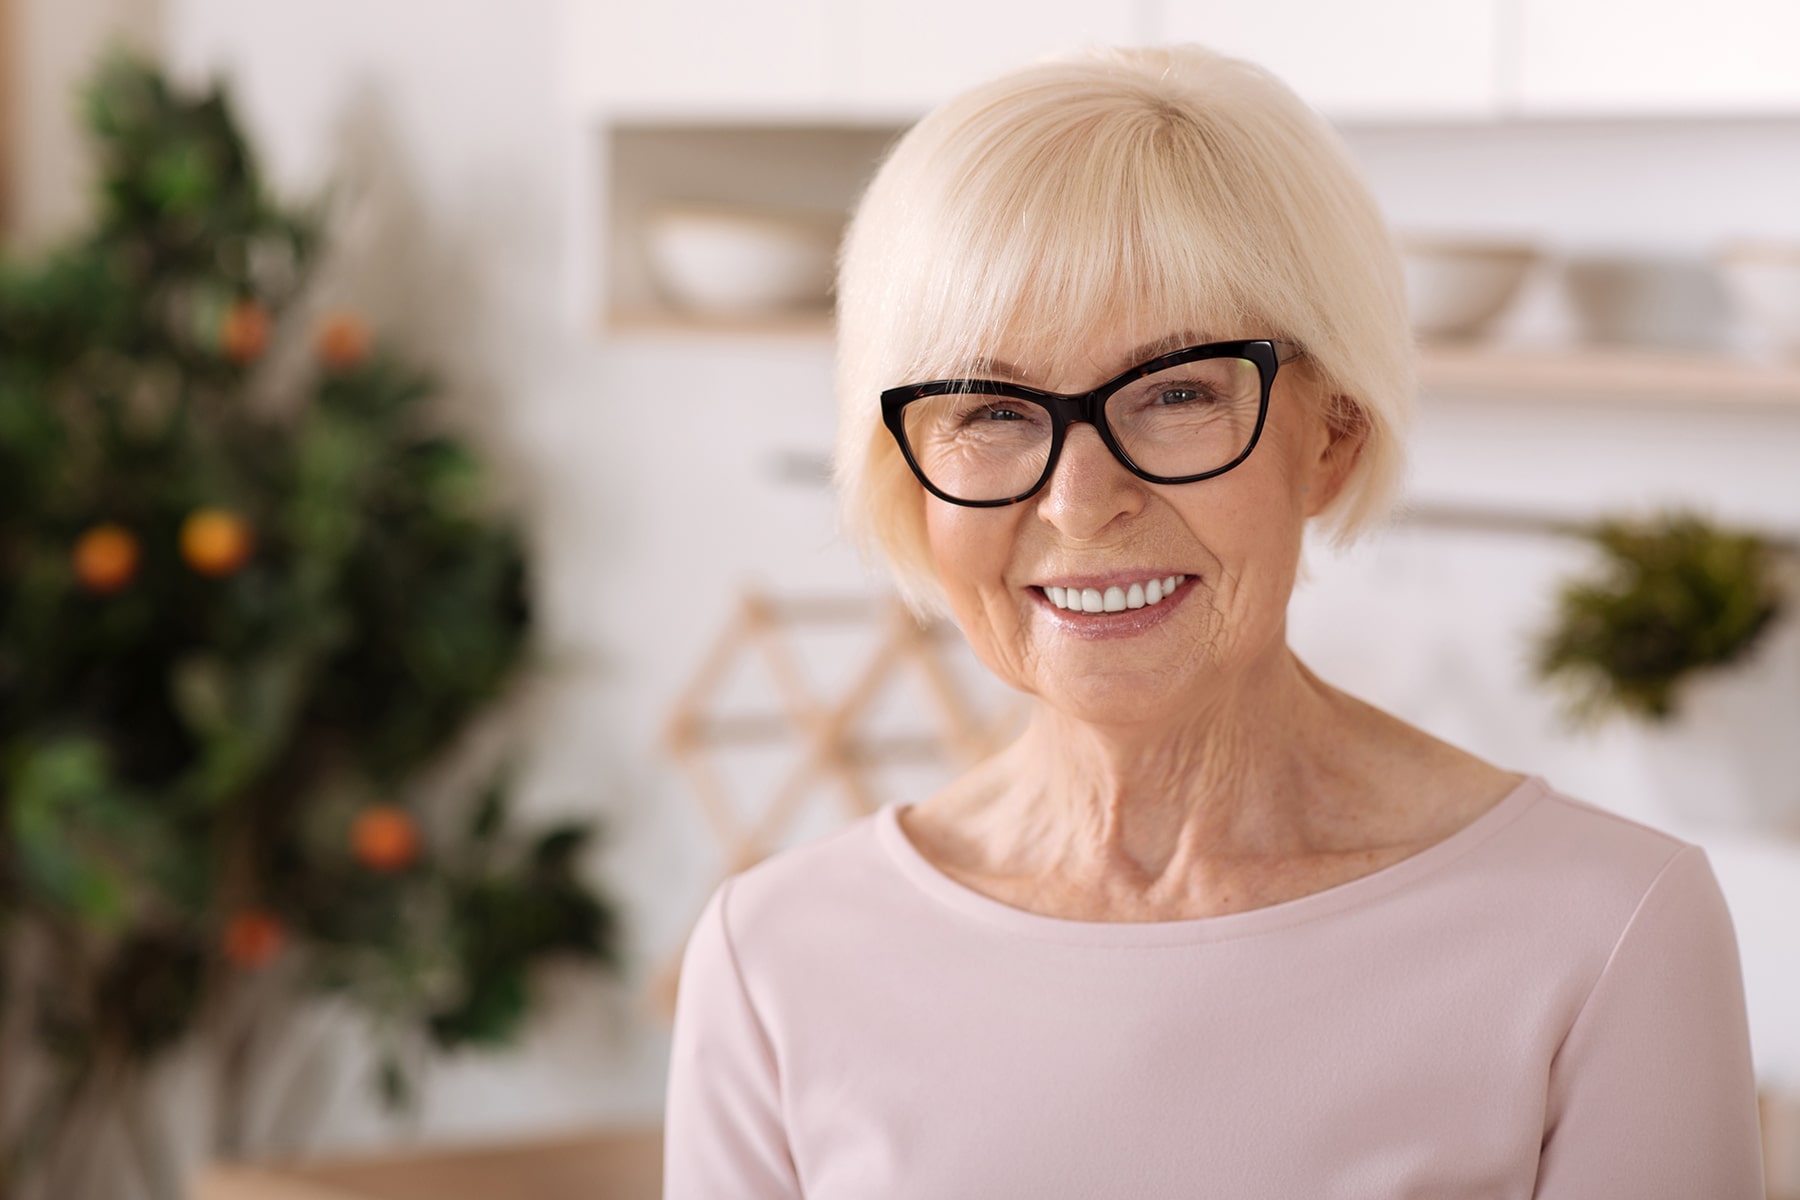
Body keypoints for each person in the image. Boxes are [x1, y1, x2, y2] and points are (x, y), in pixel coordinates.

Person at [663, 44, 1764, 1197]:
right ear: (911, 474)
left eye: (1178, 391)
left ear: (1332, 435)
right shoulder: (773, 959)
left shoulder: (1608, 932)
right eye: (991, 409)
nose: (1081, 503)